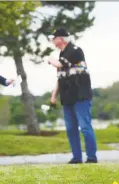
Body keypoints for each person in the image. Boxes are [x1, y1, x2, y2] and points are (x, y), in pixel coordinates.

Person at [48, 28, 98, 164]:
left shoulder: (75, 50)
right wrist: (53, 96)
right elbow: (60, 76)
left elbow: (60, 64)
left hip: (80, 95)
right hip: (67, 96)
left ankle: (92, 157)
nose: (52, 41)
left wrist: (50, 60)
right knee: (71, 128)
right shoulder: (62, 54)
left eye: (54, 38)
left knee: (85, 126)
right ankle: (76, 157)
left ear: (61, 39)